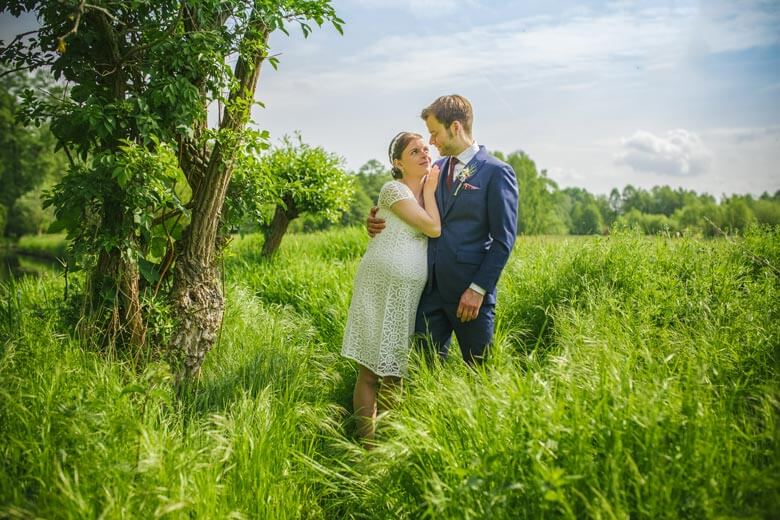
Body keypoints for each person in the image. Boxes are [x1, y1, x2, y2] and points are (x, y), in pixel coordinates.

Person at [368, 94, 518, 365]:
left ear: (456, 128)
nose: (432, 142)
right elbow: (408, 203)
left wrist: (478, 289)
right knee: (422, 374)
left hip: (469, 296)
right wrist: (380, 219)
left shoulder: (496, 172)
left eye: (435, 133)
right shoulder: (433, 169)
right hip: (428, 292)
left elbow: (503, 240)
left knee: (480, 372)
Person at [342, 131, 441, 444]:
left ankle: (388, 445)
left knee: (395, 371)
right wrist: (432, 191)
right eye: (414, 152)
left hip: (408, 294)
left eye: (426, 148)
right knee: (371, 370)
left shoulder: (430, 190)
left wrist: (431, 190)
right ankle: (368, 448)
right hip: (380, 286)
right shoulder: (393, 190)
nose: (424, 154)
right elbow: (433, 227)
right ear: (398, 163)